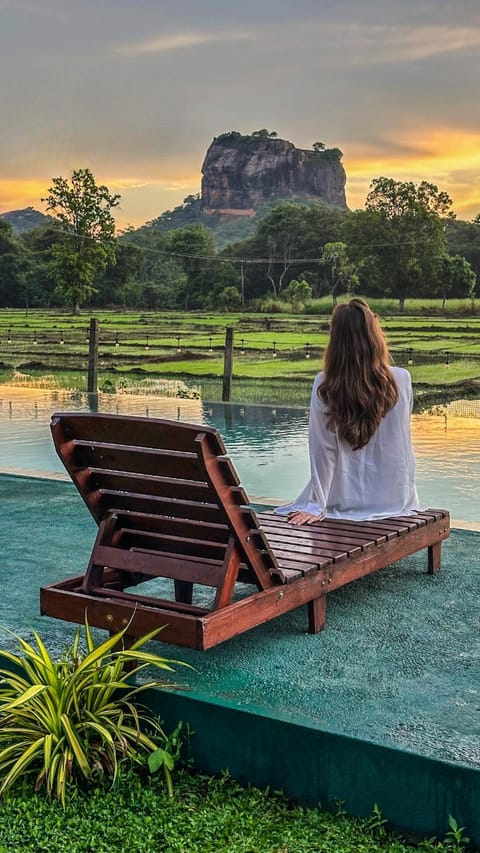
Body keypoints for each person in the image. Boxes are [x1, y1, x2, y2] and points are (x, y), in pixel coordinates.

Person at [276, 297, 424, 524]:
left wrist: (317, 505)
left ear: (335, 340)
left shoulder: (325, 385)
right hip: (395, 498)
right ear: (374, 336)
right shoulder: (402, 379)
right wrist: (408, 496)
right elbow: (402, 446)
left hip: (341, 500)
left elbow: (323, 451)